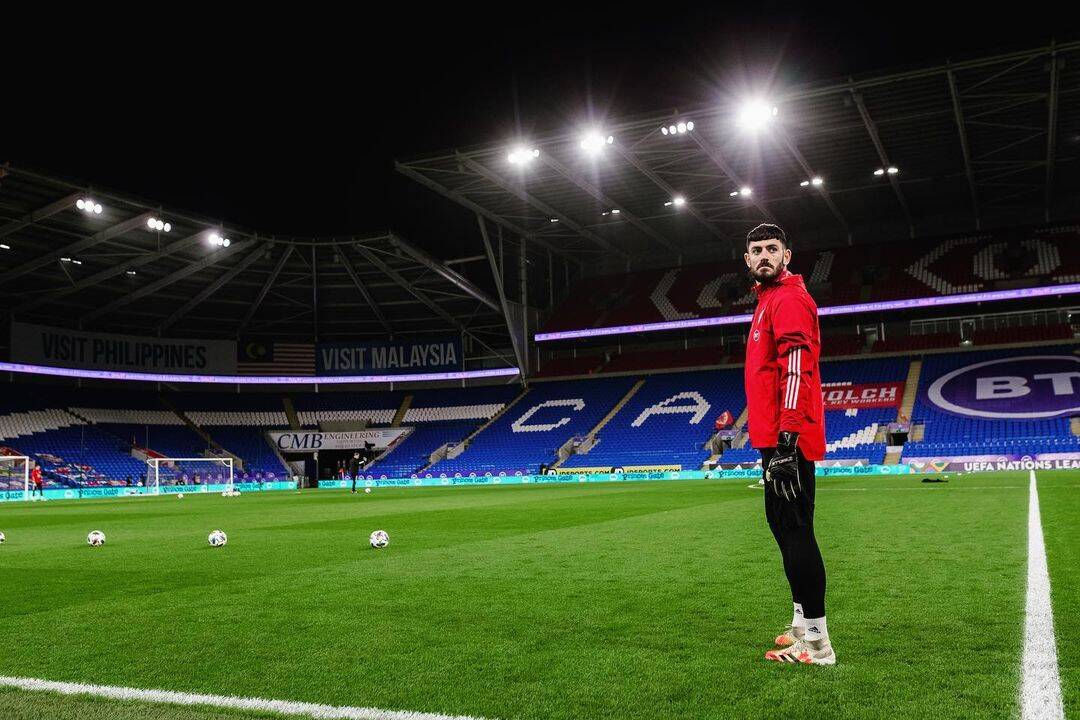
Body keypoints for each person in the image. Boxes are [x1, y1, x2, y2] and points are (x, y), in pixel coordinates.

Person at [742, 223, 833, 666]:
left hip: (787, 438)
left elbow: (797, 366)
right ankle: (801, 625)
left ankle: (817, 644)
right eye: (756, 250)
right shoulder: (766, 301)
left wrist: (786, 440)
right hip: (775, 437)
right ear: (747, 260)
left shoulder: (789, 299)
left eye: (771, 249)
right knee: (784, 531)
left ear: (787, 255)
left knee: (796, 533)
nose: (763, 255)